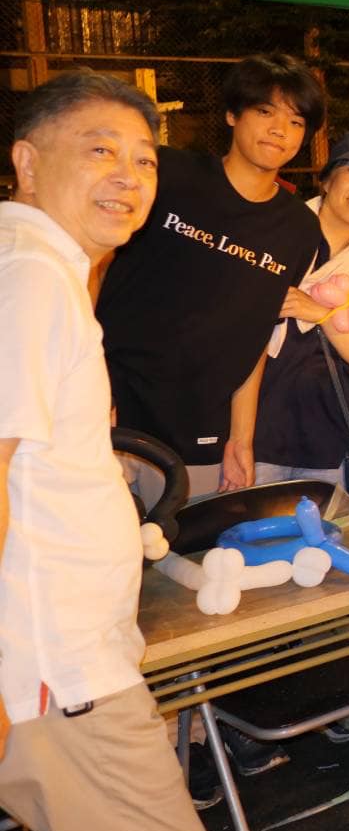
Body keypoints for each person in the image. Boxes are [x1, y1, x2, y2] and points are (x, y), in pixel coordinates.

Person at [0, 70, 219, 831]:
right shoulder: (27, 279)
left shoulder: (39, 268)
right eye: (100, 151)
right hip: (55, 673)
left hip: (59, 663)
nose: (129, 177)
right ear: (26, 160)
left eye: (145, 159)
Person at [97, 54, 325, 501]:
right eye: (265, 112)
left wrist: (240, 438)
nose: (280, 130)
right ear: (231, 114)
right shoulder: (167, 174)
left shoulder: (299, 229)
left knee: (181, 557)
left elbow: (255, 337)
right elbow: (95, 265)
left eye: (296, 121)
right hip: (111, 405)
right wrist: (87, 386)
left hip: (201, 428)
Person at [254, 130, 349, 485]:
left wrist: (319, 313)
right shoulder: (277, 238)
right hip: (256, 437)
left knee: (321, 538)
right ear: (326, 180)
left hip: (324, 438)